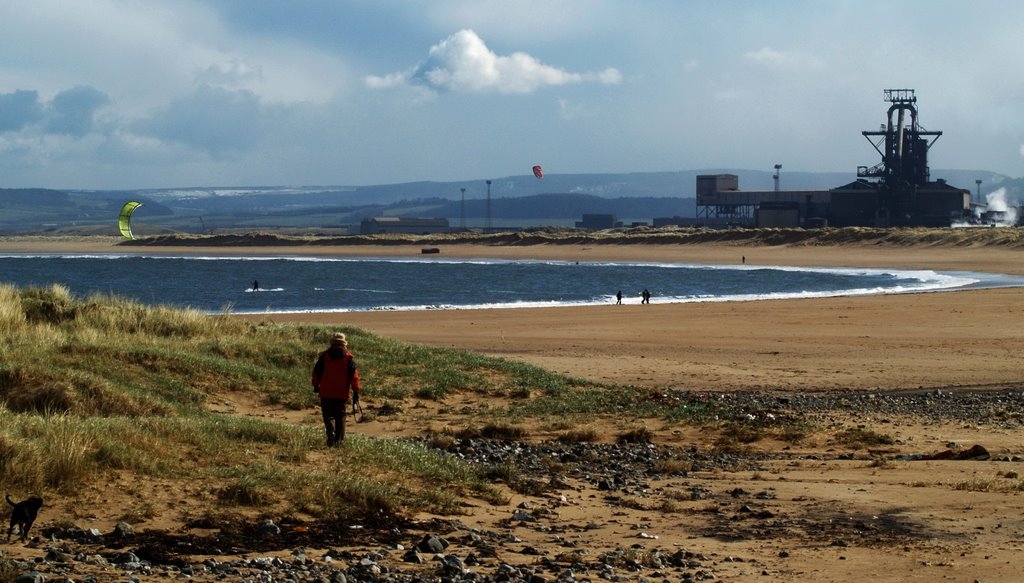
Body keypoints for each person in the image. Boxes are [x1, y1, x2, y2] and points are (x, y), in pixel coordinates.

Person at [311, 332, 361, 446]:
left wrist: (315, 385)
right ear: (344, 344)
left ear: (332, 343)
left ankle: (331, 434)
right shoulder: (348, 358)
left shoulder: (324, 356)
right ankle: (339, 441)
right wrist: (356, 391)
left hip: (326, 392)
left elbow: (316, 373)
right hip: (341, 392)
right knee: (341, 416)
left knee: (327, 415)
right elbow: (354, 376)